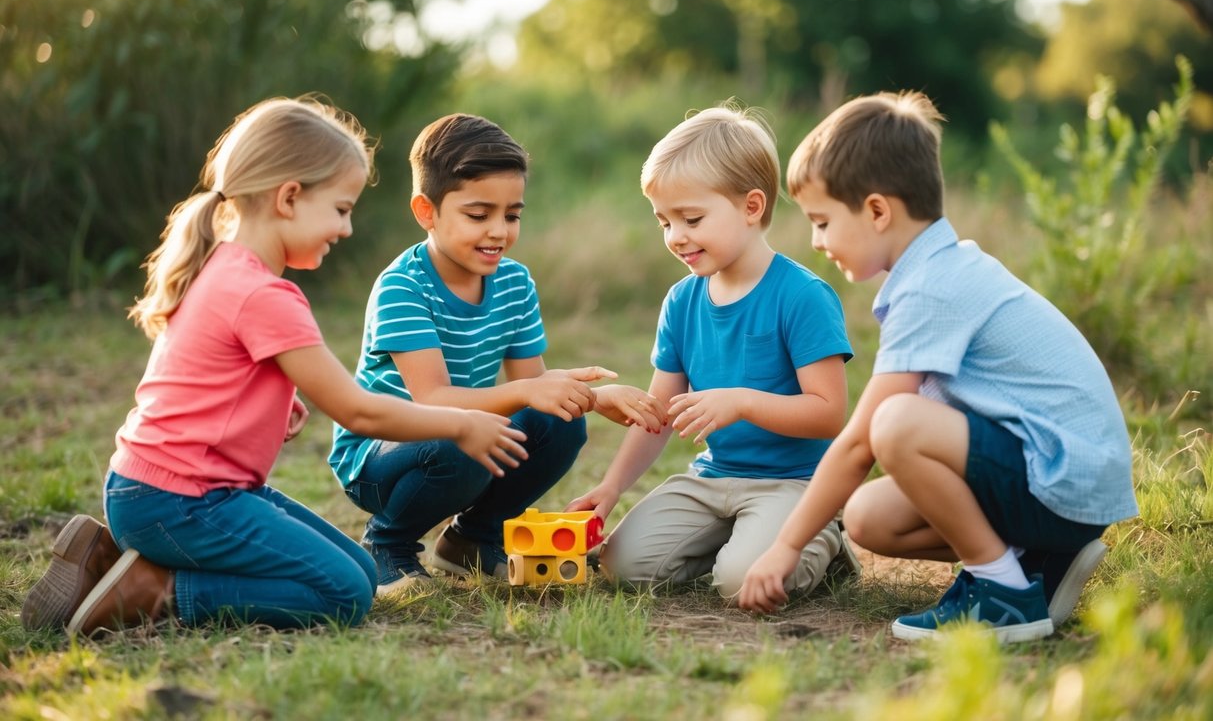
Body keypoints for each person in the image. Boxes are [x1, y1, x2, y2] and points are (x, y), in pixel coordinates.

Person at [21, 97, 527, 636]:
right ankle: (154, 591)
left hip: (168, 491)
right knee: (344, 593)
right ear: (289, 198)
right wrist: (462, 422)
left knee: (358, 568)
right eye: (340, 208)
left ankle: (111, 559)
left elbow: (202, 379)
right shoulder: (265, 294)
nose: (347, 228)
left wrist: (274, 405)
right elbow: (358, 412)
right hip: (180, 501)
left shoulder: (223, 266)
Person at [737, 91, 1139, 642]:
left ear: (878, 211)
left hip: (1065, 481)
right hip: (1054, 480)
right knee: (867, 517)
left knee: (896, 424)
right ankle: (1032, 561)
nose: (815, 241)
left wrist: (785, 546)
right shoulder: (934, 271)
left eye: (823, 221)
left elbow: (862, 442)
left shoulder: (934, 287)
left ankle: (1002, 590)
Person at [329, 113, 664, 595]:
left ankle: (471, 539)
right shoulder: (402, 286)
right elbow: (430, 402)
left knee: (559, 422)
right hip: (380, 456)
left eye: (512, 215)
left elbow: (535, 391)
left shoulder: (514, 281)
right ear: (427, 212)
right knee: (460, 434)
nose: (499, 232)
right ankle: (388, 544)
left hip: (459, 434)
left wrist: (592, 398)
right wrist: (529, 390)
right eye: (478, 214)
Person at [565, 105, 856, 601]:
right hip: (713, 477)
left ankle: (823, 539)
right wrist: (611, 487)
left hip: (795, 484)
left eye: (692, 218)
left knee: (741, 584)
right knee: (621, 568)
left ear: (751, 206)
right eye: (664, 222)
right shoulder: (682, 301)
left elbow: (830, 416)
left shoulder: (802, 296)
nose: (676, 237)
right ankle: (739, 536)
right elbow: (657, 417)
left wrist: (742, 401)